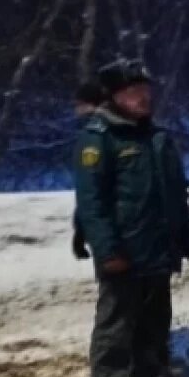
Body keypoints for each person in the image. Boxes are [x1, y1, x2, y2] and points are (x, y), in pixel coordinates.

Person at [73, 59, 189, 377]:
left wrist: (188, 237)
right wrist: (107, 249)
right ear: (114, 97)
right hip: (123, 250)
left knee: (155, 322)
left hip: (158, 247)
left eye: (146, 91)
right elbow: (91, 203)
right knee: (116, 324)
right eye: (134, 93)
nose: (143, 98)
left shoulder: (156, 138)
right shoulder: (98, 140)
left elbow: (175, 195)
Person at [72, 81, 107, 261]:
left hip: (108, 235)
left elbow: (90, 190)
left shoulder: (95, 135)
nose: (76, 110)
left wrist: (80, 230)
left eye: (79, 104)